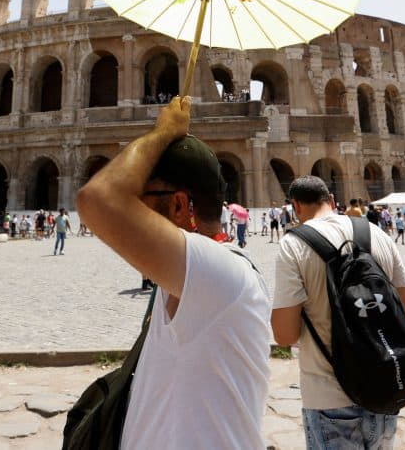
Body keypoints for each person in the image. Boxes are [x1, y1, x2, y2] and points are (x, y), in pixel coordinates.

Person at [75, 95, 270, 449]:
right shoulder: (193, 278)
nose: (135, 210)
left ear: (179, 204)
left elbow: (98, 200)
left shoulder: (222, 274)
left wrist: (162, 133)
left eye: (142, 200)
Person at [271, 175, 405, 449]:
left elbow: (284, 335)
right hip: (384, 385)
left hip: (328, 395)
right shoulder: (376, 233)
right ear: (331, 200)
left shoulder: (293, 245)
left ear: (295, 206)